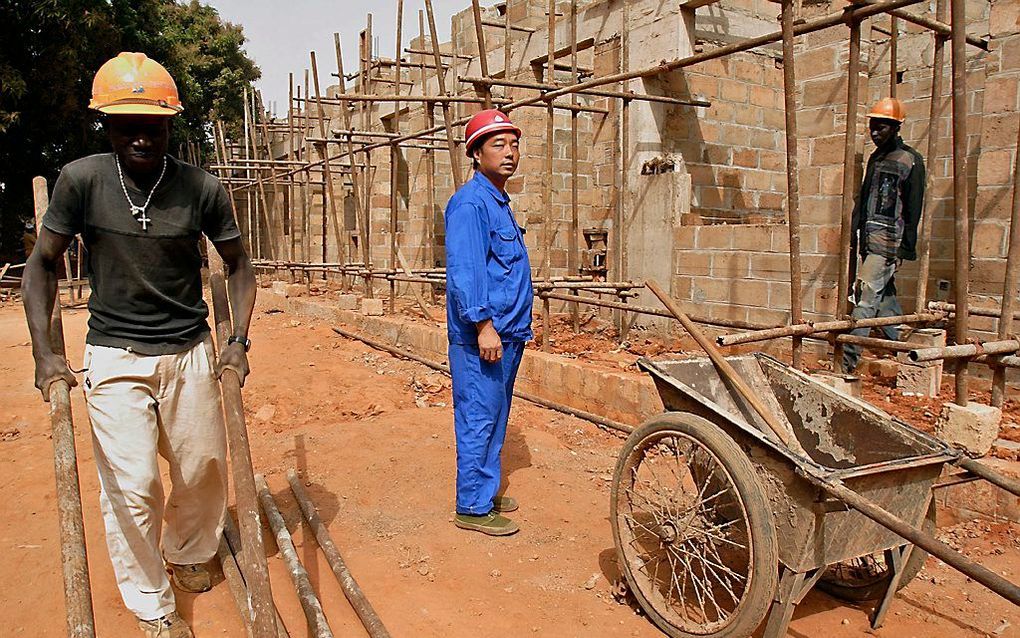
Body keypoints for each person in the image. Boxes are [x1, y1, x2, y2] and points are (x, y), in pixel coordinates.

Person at [22, 52, 255, 638]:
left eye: (152, 123)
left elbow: (238, 267)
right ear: (106, 125)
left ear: (171, 123)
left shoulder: (201, 187)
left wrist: (238, 340)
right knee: (133, 486)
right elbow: (41, 265)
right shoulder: (81, 181)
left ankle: (186, 549)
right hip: (115, 354)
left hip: (189, 351)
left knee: (202, 470)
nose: (141, 135)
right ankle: (152, 604)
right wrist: (44, 354)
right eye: (127, 123)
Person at [445, 109, 533, 536]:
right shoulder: (470, 204)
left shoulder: (499, 203)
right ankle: (472, 507)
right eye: (498, 144)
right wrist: (483, 326)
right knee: (479, 416)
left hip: (508, 334)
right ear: (476, 153)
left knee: (496, 415)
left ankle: (487, 488)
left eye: (514, 143)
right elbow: (466, 272)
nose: (510, 152)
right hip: (483, 336)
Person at [842, 97, 925, 374]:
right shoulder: (876, 158)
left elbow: (914, 207)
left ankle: (847, 364)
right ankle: (909, 353)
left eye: (882, 128)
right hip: (869, 240)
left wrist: (906, 248)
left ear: (896, 127)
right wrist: (855, 231)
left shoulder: (910, 160)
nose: (875, 133)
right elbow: (865, 198)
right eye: (872, 127)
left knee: (864, 296)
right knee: (886, 300)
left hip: (888, 243)